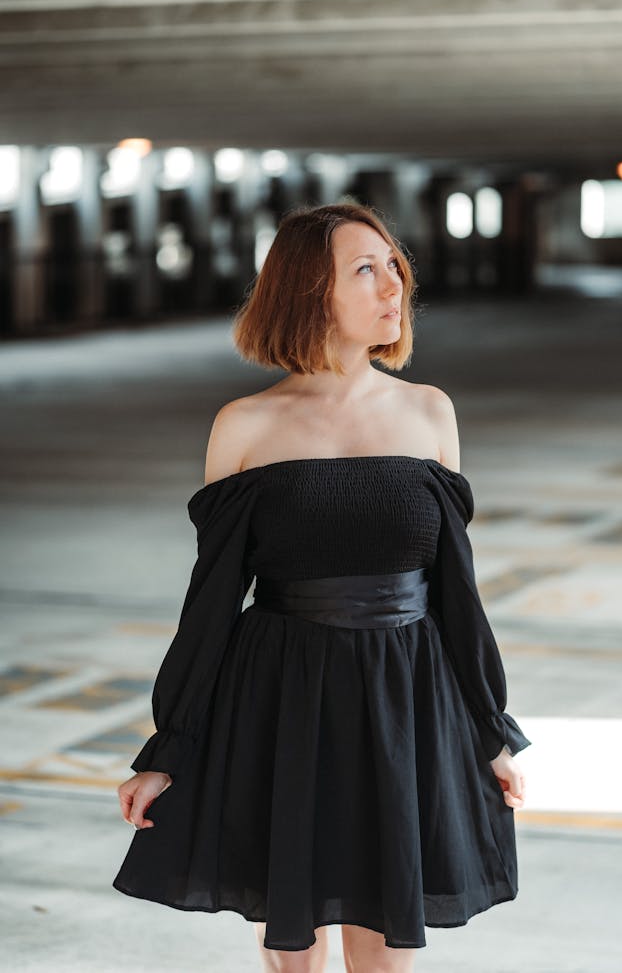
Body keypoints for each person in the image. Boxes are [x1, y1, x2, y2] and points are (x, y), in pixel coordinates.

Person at [112, 201, 530, 973]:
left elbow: (457, 596)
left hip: (406, 693)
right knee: (292, 936)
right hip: (283, 695)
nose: (392, 285)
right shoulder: (245, 425)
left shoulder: (429, 411)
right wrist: (167, 747)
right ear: (310, 291)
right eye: (365, 269)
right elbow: (210, 604)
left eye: (393, 266)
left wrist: (490, 728)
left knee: (387, 932)